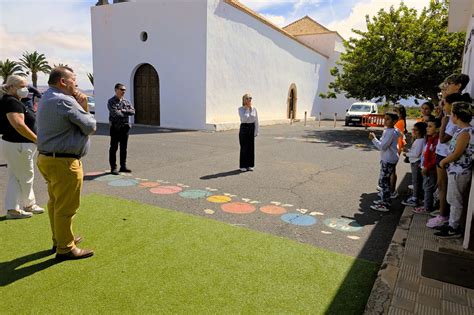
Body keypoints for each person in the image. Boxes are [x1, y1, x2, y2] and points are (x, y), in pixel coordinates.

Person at [36, 66, 96, 260]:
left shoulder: (47, 97)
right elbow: (90, 126)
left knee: (55, 203)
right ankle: (65, 248)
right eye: (73, 80)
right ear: (63, 81)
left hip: (47, 158)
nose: (76, 85)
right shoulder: (64, 100)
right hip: (63, 162)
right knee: (66, 207)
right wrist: (84, 104)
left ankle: (60, 239)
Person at [0, 75, 44, 219]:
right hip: (18, 145)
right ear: (11, 87)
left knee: (16, 176)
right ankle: (24, 205)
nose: (25, 89)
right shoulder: (12, 102)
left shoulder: (12, 100)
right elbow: (19, 125)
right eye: (22, 86)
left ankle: (16, 207)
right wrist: (36, 139)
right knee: (26, 176)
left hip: (16, 145)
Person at [429, 93, 471, 227]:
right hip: (453, 167)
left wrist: (444, 161)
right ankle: (449, 221)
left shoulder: (464, 131)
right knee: (450, 195)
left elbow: (456, 151)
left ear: (457, 116)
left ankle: (452, 225)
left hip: (458, 169)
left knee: (453, 198)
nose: (450, 115)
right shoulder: (461, 129)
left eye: (452, 113)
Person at [369, 112, 400, 212]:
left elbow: (382, 146)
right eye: (385, 119)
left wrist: (373, 139)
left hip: (388, 159)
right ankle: (384, 200)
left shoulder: (391, 132)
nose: (385, 121)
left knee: (384, 182)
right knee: (384, 181)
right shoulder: (390, 130)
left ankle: (385, 203)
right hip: (388, 158)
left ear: (394, 121)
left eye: (388, 119)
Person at [414, 118, 440, 215]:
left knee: (428, 187)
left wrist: (427, 167)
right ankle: (426, 204)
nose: (427, 128)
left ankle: (427, 207)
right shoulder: (430, 138)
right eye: (427, 126)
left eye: (430, 126)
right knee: (426, 186)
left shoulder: (436, 141)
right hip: (426, 167)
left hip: (430, 169)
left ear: (437, 129)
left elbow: (434, 158)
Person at [108, 83, 135, 175]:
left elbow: (133, 112)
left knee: (124, 148)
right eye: (121, 89)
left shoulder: (126, 101)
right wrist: (126, 112)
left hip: (125, 127)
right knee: (114, 148)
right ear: (116, 90)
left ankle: (123, 166)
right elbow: (115, 113)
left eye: (124, 90)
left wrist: (123, 111)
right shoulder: (111, 101)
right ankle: (113, 168)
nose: (123, 91)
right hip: (115, 127)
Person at [401, 121, 427, 207]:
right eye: (413, 129)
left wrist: (407, 154)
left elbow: (416, 154)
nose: (413, 131)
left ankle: (415, 198)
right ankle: (416, 196)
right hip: (415, 162)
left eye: (416, 130)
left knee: (416, 181)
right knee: (416, 181)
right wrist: (408, 151)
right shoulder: (419, 140)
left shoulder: (420, 141)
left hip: (416, 163)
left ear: (421, 131)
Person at [238, 93, 259, 172]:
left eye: (250, 98)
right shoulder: (240, 109)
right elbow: (244, 119)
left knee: (251, 147)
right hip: (244, 128)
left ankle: (250, 165)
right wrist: (247, 109)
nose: (249, 100)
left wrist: (256, 131)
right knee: (244, 147)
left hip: (251, 128)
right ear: (244, 100)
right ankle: (243, 165)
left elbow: (256, 120)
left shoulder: (254, 109)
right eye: (247, 98)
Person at [390, 104, 407, 198]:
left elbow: (398, 138)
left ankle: (392, 190)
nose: (394, 113)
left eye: (396, 111)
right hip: (395, 148)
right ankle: (390, 188)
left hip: (395, 149)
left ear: (400, 113)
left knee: (392, 170)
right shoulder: (399, 121)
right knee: (391, 170)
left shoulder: (399, 122)